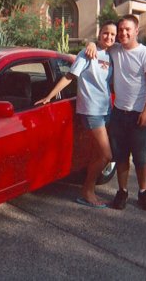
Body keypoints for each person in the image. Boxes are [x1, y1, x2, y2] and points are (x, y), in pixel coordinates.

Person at [35, 21, 117, 208]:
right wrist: (49, 96)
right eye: (105, 33)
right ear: (100, 33)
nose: (109, 37)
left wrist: (92, 42)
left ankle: (88, 189)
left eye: (113, 35)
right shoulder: (87, 54)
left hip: (106, 109)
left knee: (98, 153)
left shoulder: (111, 54)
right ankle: (87, 192)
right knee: (106, 155)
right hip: (92, 110)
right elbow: (70, 76)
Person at [86, 14, 146, 211]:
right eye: (121, 30)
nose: (123, 33)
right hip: (119, 114)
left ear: (137, 31)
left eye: (128, 29)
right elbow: (102, 40)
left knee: (141, 159)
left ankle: (143, 192)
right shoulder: (116, 50)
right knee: (121, 157)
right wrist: (91, 43)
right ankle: (122, 191)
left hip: (139, 115)